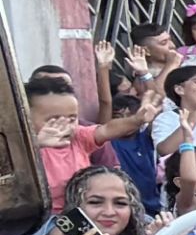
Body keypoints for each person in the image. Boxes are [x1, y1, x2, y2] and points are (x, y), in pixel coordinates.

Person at [28, 71, 159, 205]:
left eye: (72, 118)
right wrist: (35, 145)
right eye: (54, 120)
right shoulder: (21, 146)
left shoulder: (79, 136)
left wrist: (136, 120)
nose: (65, 125)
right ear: (26, 118)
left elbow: (107, 129)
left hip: (78, 214)